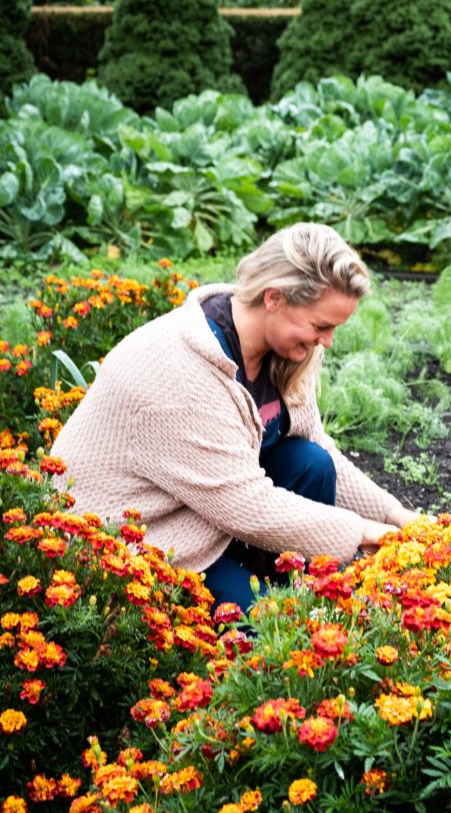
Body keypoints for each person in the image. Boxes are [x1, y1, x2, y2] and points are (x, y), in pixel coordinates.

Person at [51, 223, 423, 614]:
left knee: (311, 462)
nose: (327, 341)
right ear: (274, 298)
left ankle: (295, 598)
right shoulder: (182, 369)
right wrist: (359, 531)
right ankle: (277, 611)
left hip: (206, 507)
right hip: (137, 533)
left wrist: (394, 515)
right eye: (321, 326)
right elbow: (247, 504)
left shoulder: (286, 350)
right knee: (267, 631)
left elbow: (316, 443)